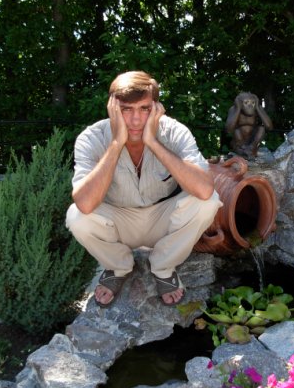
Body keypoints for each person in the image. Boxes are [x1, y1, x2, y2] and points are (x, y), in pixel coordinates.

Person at [66, 71, 222, 308]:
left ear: (156, 107)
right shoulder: (92, 138)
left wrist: (153, 142)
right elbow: (85, 203)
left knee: (208, 202)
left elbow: (204, 189)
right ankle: (117, 267)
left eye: (144, 108)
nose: (136, 120)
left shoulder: (174, 131)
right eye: (126, 109)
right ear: (112, 108)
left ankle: (164, 267)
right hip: (117, 219)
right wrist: (116, 143)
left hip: (162, 217)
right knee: (76, 216)